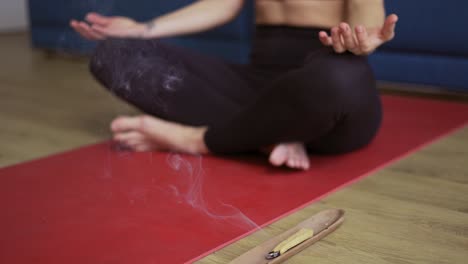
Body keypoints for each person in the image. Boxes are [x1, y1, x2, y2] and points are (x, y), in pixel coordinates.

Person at [70, 0, 398, 170]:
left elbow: (366, 16)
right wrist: (141, 30)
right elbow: (222, 4)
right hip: (257, 88)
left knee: (336, 79)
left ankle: (197, 140)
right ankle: (266, 134)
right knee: (114, 54)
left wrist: (362, 39)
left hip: (321, 84)